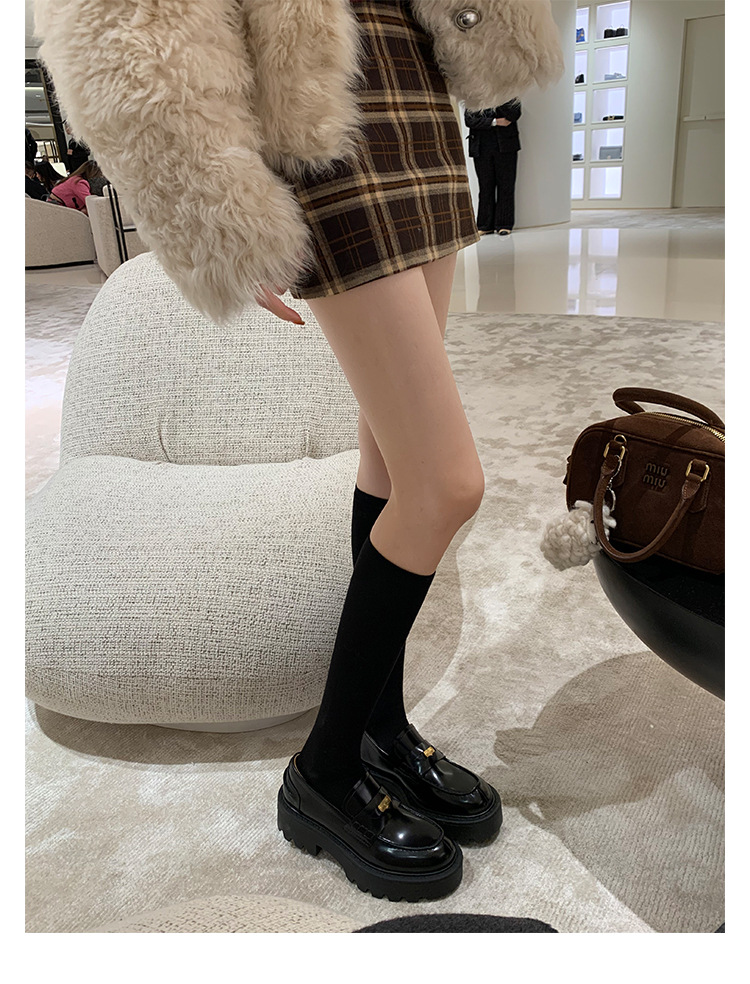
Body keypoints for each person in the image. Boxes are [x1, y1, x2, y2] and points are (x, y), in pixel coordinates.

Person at [35, 0, 563, 902]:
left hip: (420, 92)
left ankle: (379, 731)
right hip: (318, 115)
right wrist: (207, 201)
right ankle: (322, 772)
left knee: (390, 459)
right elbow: (123, 22)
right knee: (446, 485)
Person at [464, 100, 522, 235]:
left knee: (506, 185)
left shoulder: (509, 93)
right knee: (485, 186)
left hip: (506, 146)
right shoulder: (474, 95)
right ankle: (485, 225)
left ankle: (504, 224)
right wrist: (495, 121)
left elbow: (513, 114)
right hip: (481, 147)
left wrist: (498, 100)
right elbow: (470, 121)